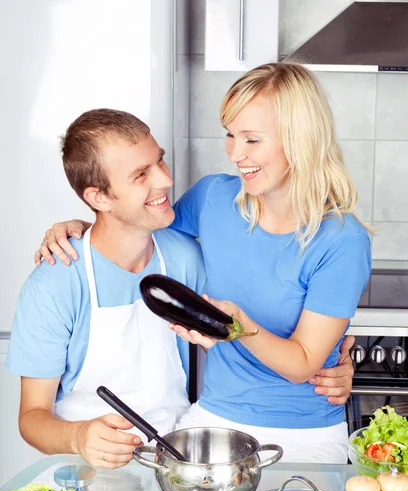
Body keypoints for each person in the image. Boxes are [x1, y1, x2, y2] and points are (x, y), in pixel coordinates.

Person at [33, 63, 365, 464]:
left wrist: (238, 327)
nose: (235, 154)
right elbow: (140, 224)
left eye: (252, 140)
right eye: (230, 135)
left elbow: (301, 365)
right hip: (214, 420)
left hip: (306, 434)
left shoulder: (342, 240)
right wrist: (83, 227)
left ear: (301, 140)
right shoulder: (214, 199)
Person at [6, 108, 206, 469]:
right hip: (88, 471)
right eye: (140, 175)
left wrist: (334, 352)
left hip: (178, 463)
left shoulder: (186, 258)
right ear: (99, 198)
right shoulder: (54, 284)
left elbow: (239, 329)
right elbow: (32, 417)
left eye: (159, 162)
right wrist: (79, 436)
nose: (164, 180)